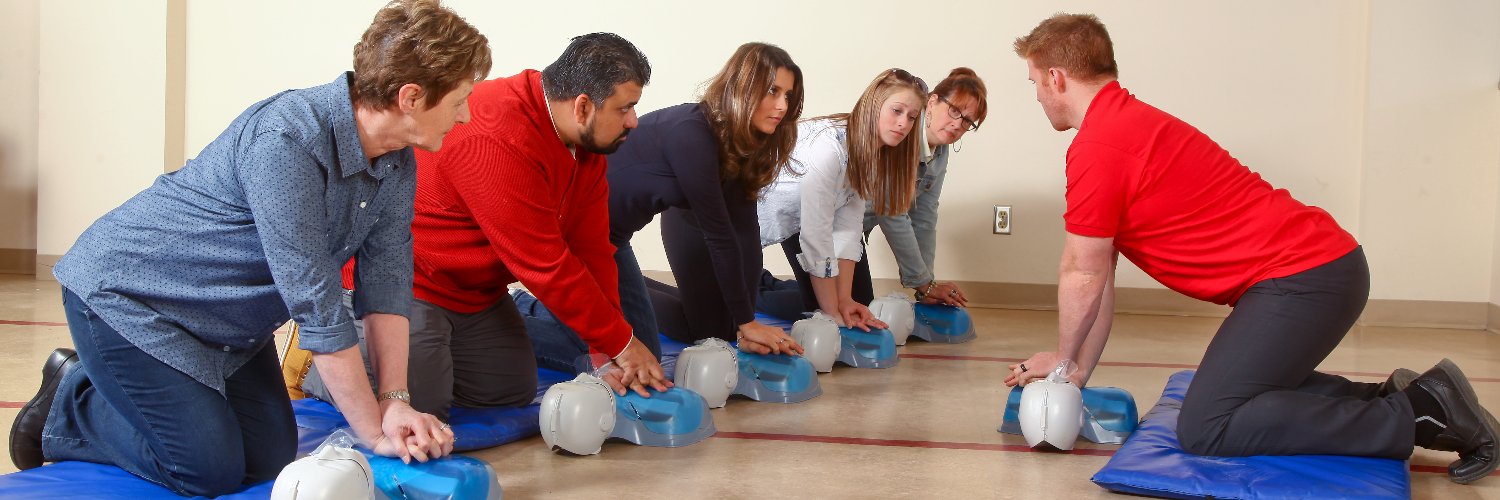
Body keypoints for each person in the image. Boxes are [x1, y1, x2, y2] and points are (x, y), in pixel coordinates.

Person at [9, 1, 488, 495]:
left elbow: (386, 287)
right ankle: (71, 404)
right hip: (130, 302)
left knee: (267, 461)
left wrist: (394, 400)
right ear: (411, 96)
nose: (467, 114)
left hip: (227, 324)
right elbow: (317, 306)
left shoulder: (396, 162)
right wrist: (371, 433)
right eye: (459, 99)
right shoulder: (287, 138)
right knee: (205, 470)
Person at [1004, 13, 1497, 484]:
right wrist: (1077, 369)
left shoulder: (1099, 147)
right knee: (1230, 396)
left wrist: (1063, 363)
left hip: (1306, 279)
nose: (1037, 97)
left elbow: (1082, 273)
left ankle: (1419, 416)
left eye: (1033, 84)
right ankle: (1408, 396)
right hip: (1317, 271)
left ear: (1056, 77)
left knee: (1207, 426)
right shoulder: (1126, 124)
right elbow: (1099, 277)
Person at [307, 33, 670, 411]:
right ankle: (325, 366)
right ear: (582, 107)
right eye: (625, 108)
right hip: (408, 281)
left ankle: (429, 357)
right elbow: (544, 264)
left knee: (507, 391)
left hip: (474, 291)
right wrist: (624, 345)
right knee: (422, 403)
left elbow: (592, 249)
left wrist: (606, 349)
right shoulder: (497, 134)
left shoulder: (587, 146)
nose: (633, 121)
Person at [532, 42, 805, 356]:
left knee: (720, 331)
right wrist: (748, 322)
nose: (782, 106)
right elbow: (719, 235)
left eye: (788, 95)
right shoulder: (693, 133)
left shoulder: (742, 144)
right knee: (628, 350)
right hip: (576, 237)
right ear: (743, 88)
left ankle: (586, 297)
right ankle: (536, 306)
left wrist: (746, 321)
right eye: (773, 91)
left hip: (613, 240)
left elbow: (744, 232)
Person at [756, 68, 928, 331]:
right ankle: (753, 285)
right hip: (729, 224)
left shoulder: (872, 153)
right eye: (897, 111)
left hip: (799, 220)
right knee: (712, 318)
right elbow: (817, 234)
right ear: (874, 105)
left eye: (912, 117)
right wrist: (831, 313)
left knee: (856, 302)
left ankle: (757, 281)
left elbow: (848, 228)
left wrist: (845, 301)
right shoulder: (829, 149)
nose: (904, 123)